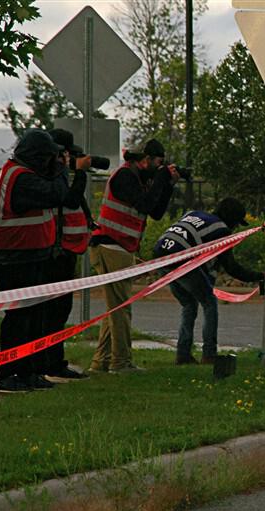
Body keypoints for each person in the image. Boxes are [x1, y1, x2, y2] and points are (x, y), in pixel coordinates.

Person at [0, 129, 86, 393]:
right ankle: (9, 374)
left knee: (33, 317)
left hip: (30, 254)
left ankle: (28, 371)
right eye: (48, 157)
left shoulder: (23, 172)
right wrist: (62, 169)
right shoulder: (20, 177)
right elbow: (58, 194)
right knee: (18, 319)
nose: (51, 161)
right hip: (15, 258)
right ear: (37, 156)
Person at [89, 139, 178, 373]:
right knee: (121, 309)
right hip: (110, 246)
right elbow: (145, 204)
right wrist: (160, 178)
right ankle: (121, 362)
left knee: (115, 308)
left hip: (120, 247)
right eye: (158, 163)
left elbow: (156, 212)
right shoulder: (124, 177)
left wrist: (168, 185)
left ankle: (101, 361)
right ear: (145, 159)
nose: (159, 168)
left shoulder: (140, 178)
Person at [153, 198, 263, 365]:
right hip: (181, 259)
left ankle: (183, 355)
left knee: (189, 304)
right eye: (236, 223)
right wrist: (259, 276)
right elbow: (231, 267)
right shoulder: (221, 229)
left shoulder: (195, 214)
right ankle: (209, 354)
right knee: (209, 302)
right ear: (231, 218)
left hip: (161, 255)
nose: (235, 228)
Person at [41, 129, 94, 382]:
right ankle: (47, 362)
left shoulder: (57, 173)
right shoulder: (50, 174)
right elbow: (71, 201)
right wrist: (80, 172)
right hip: (55, 252)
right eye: (66, 153)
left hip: (65, 250)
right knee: (52, 312)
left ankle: (54, 361)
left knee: (60, 311)